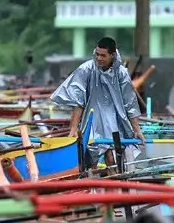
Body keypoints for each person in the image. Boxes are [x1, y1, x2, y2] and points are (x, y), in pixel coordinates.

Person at [50, 36, 144, 170]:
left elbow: (130, 103)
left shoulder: (121, 72)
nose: (99, 58)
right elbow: (79, 101)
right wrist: (74, 128)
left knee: (112, 159)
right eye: (97, 54)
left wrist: (137, 129)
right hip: (92, 119)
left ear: (112, 54)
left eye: (103, 55)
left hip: (114, 121)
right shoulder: (86, 69)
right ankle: (91, 187)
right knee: (90, 160)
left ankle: (114, 187)